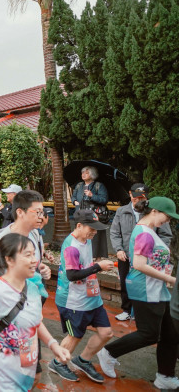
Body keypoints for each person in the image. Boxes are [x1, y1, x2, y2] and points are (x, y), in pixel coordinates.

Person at [0, 234, 71, 392]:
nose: (34, 260)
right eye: (27, 255)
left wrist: (53, 345)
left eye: (34, 254)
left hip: (24, 368)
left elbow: (35, 320)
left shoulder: (33, 288)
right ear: (9, 260)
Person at [98, 197, 179, 390]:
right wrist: (170, 279)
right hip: (145, 290)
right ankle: (108, 352)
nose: (167, 221)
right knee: (149, 334)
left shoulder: (149, 231)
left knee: (171, 334)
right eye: (167, 217)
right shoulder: (144, 233)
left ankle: (165, 376)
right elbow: (139, 264)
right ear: (154, 211)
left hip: (155, 290)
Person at [48, 210, 114, 383]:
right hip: (73, 301)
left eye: (96, 228)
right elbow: (72, 275)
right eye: (91, 228)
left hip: (91, 297)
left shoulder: (86, 239)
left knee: (106, 333)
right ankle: (57, 363)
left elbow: (84, 265)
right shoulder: (71, 247)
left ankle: (83, 360)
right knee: (75, 336)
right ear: (79, 226)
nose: (95, 232)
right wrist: (98, 267)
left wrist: (95, 267)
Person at [109, 183, 172, 321]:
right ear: (130, 194)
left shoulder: (153, 213)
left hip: (148, 256)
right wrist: (119, 249)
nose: (137, 200)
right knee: (125, 282)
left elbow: (165, 235)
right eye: (135, 197)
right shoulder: (122, 211)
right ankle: (127, 310)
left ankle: (140, 313)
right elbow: (115, 232)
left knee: (146, 283)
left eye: (141, 198)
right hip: (126, 255)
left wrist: (158, 251)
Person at [71, 166, 109, 259]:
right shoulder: (79, 185)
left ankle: (97, 257)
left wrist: (92, 195)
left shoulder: (99, 186)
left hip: (94, 214)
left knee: (95, 235)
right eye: (82, 173)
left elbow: (104, 200)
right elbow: (74, 196)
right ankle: (81, 255)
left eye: (86, 173)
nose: (83, 175)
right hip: (80, 214)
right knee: (81, 234)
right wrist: (74, 202)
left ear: (92, 174)